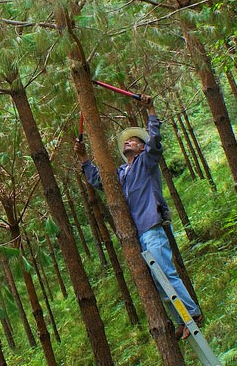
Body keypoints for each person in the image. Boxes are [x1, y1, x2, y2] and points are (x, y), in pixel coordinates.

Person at [74, 95, 203, 336]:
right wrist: (84, 158)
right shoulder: (122, 173)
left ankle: (192, 314)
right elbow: (99, 181)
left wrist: (151, 110)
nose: (129, 143)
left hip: (153, 226)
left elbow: (155, 141)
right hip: (140, 235)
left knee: (166, 273)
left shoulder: (147, 161)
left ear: (142, 147)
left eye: (134, 141)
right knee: (157, 280)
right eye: (128, 141)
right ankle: (182, 320)